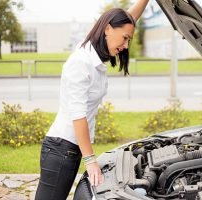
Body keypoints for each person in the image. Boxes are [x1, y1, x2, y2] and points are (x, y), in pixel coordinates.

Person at [34, 0, 149, 199]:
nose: (126, 45)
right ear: (107, 29)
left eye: (129, 39)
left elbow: (126, 19)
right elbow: (78, 116)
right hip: (60, 151)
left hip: (67, 150)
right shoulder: (81, 62)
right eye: (124, 38)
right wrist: (90, 160)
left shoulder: (91, 50)